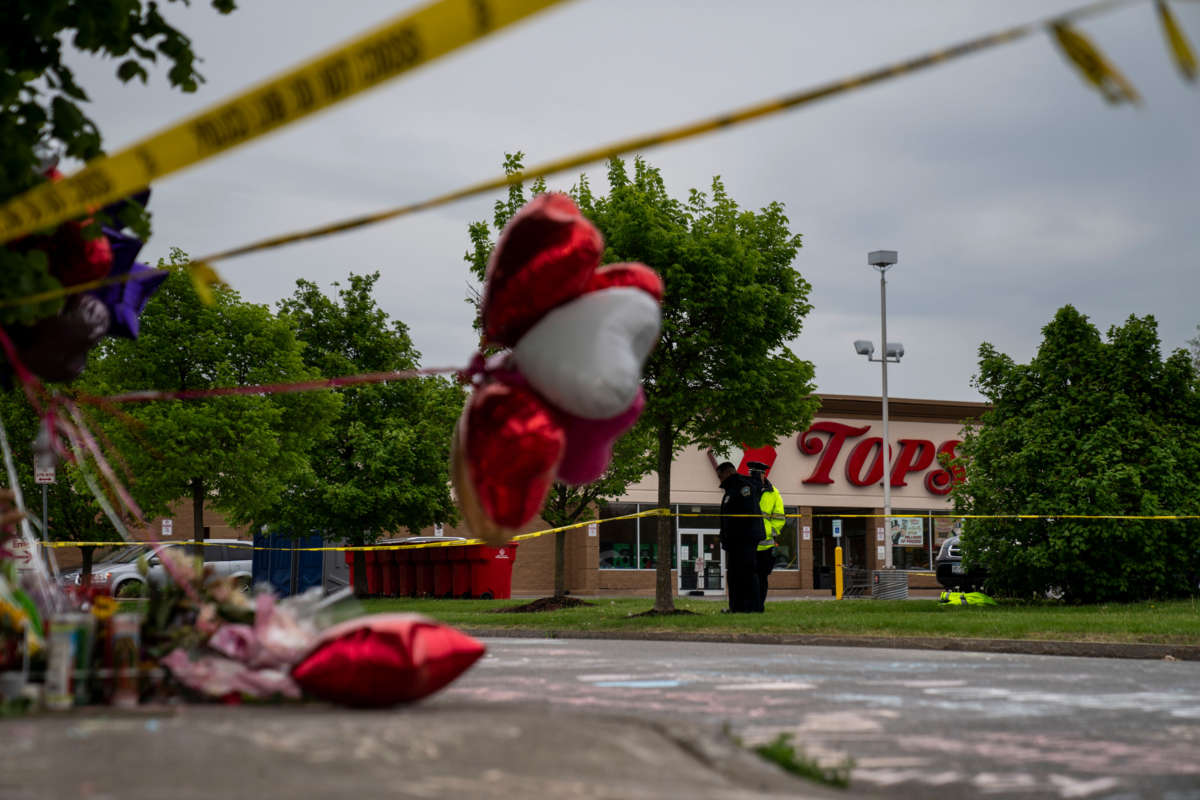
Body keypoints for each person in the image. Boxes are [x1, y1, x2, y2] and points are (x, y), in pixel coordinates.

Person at [716, 461, 762, 613]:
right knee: (735, 576)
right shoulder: (731, 489)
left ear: (728, 473)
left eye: (720, 476)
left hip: (744, 540)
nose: (719, 480)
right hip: (735, 541)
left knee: (747, 574)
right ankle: (736, 607)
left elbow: (746, 514)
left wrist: (734, 536)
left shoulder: (743, 487)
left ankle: (752, 608)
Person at [748, 461, 785, 613]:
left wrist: (770, 532)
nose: (755, 476)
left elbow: (779, 518)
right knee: (748, 578)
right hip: (748, 544)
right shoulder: (746, 490)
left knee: (762, 579)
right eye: (753, 473)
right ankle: (749, 606)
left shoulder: (773, 493)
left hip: (765, 546)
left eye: (758, 473)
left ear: (764, 475)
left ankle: (759, 607)